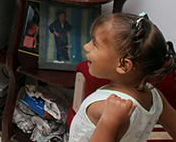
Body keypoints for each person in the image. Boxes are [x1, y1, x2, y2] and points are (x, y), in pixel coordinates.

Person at [68, 13, 176, 142]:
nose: (86, 46)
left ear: (124, 65)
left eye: (95, 44)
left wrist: (108, 122)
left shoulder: (104, 108)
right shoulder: (155, 96)